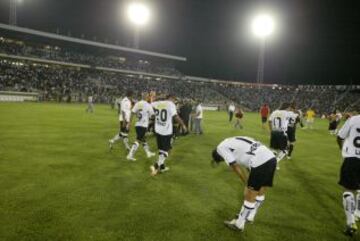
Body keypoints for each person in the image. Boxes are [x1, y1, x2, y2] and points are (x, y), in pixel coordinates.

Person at [212, 136, 277, 232]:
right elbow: (247, 152)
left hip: (260, 162)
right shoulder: (229, 141)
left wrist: (246, 182)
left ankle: (239, 224)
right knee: (261, 189)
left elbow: (235, 166)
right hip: (271, 157)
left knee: (250, 194)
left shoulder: (221, 149)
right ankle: (250, 216)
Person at [150, 94, 187, 176]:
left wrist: (155, 97)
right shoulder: (171, 104)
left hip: (158, 130)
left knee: (161, 149)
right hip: (166, 131)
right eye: (174, 100)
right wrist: (183, 125)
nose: (174, 101)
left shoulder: (158, 103)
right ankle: (156, 165)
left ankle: (162, 168)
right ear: (171, 98)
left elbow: (150, 104)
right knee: (168, 150)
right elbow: (175, 116)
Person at [337, 114, 360, 236]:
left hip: (351, 159)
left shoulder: (354, 119)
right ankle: (358, 212)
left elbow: (340, 136)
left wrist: (342, 149)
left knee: (348, 190)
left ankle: (350, 223)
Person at [126, 93, 156, 161]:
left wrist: (129, 123)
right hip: (143, 125)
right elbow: (153, 115)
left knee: (143, 139)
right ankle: (130, 155)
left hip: (137, 124)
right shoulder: (148, 105)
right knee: (138, 140)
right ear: (147, 97)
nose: (149, 98)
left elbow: (132, 113)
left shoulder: (137, 103)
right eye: (148, 97)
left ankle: (148, 153)